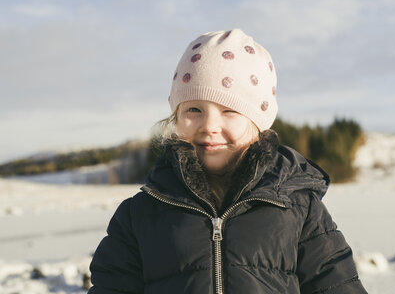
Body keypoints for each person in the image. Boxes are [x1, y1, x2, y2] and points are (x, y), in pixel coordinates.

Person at [88, 29, 367, 294]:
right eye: (194, 109)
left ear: (258, 122)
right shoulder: (140, 215)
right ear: (175, 116)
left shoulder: (299, 209)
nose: (209, 125)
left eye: (229, 110)